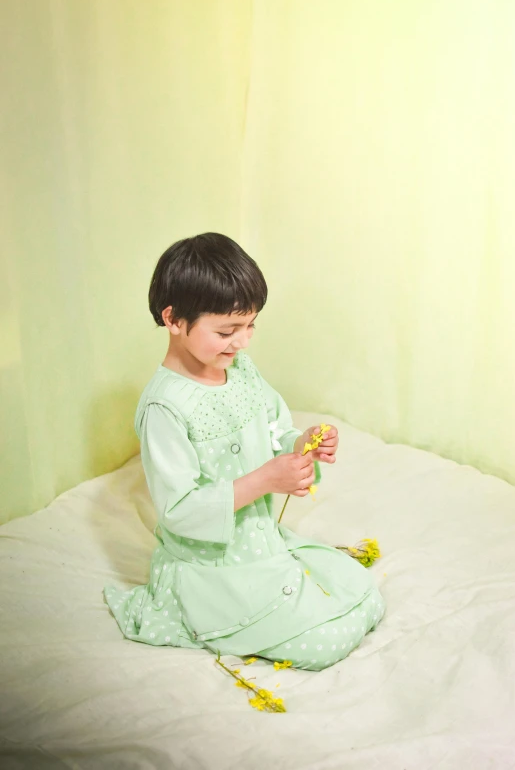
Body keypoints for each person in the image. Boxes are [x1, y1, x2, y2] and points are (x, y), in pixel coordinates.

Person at [104, 233, 384, 671]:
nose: (243, 342)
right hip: (210, 567)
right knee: (327, 640)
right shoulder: (165, 408)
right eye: (227, 331)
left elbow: (273, 426)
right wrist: (265, 480)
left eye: (250, 325)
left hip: (260, 542)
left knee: (362, 594)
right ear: (174, 319)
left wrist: (301, 443)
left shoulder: (239, 369)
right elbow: (179, 509)